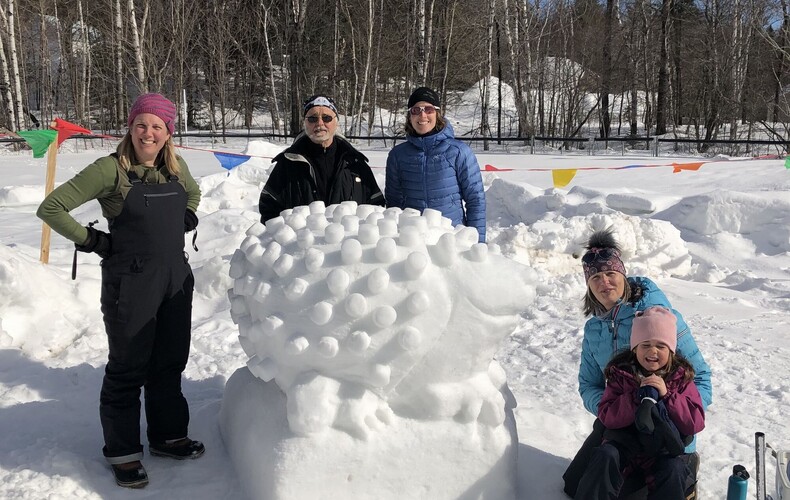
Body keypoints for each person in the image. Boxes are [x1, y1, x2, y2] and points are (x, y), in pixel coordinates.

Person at [36, 93, 204, 489]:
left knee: (169, 362)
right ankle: (123, 452)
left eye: (157, 126)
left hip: (175, 279)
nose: (148, 132)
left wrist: (189, 214)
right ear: (131, 127)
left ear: (168, 133)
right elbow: (52, 208)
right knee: (129, 367)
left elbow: (193, 195)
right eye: (141, 124)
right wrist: (93, 241)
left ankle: (167, 436)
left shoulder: (176, 169)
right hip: (130, 282)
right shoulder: (110, 169)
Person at [563, 228, 711, 499]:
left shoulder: (663, 319)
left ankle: (686, 468)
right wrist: (614, 408)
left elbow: (699, 376)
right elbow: (588, 384)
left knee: (664, 478)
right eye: (595, 277)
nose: (604, 282)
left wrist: (677, 414)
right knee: (575, 485)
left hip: (669, 429)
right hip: (622, 420)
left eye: (610, 274)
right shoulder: (594, 330)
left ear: (623, 275)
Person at [574, 306, 706, 499]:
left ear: (671, 351)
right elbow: (608, 417)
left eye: (661, 346)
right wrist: (634, 396)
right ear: (635, 348)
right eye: (645, 345)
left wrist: (668, 395)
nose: (652, 351)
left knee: (675, 468)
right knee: (605, 454)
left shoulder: (681, 379)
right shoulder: (621, 375)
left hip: (663, 449)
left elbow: (694, 422)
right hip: (626, 446)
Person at [258, 94, 384, 222]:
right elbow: (269, 209)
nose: (320, 123)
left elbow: (376, 208)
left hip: (348, 241)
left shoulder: (355, 163)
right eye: (312, 118)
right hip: (300, 240)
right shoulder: (287, 164)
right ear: (305, 123)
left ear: (336, 122)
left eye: (326, 118)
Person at [385, 87, 486, 242]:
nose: (422, 115)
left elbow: (475, 200)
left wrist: (477, 242)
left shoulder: (459, 151)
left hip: (452, 239)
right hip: (413, 240)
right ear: (409, 116)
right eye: (416, 110)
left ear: (437, 113)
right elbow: (393, 204)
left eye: (429, 109)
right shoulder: (397, 155)